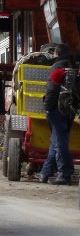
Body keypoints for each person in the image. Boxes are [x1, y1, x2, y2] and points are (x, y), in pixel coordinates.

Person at [38, 45, 77, 185]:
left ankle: (65, 173)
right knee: (56, 140)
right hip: (70, 110)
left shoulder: (57, 66)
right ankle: (46, 172)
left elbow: (52, 88)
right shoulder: (74, 66)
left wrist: (48, 107)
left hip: (56, 109)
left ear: (57, 53)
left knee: (60, 142)